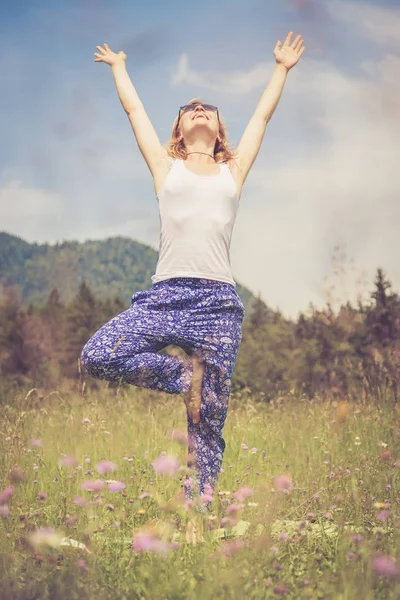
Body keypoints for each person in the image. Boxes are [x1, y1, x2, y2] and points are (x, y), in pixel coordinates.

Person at [81, 33, 305, 542]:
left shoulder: (234, 171)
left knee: (209, 421)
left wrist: (281, 69)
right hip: (165, 296)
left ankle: (197, 520)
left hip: (218, 305)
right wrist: (118, 66)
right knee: (98, 354)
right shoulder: (166, 169)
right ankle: (186, 379)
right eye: (189, 108)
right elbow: (136, 113)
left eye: (208, 108)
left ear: (219, 128)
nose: (199, 110)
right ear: (179, 130)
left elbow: (263, 118)